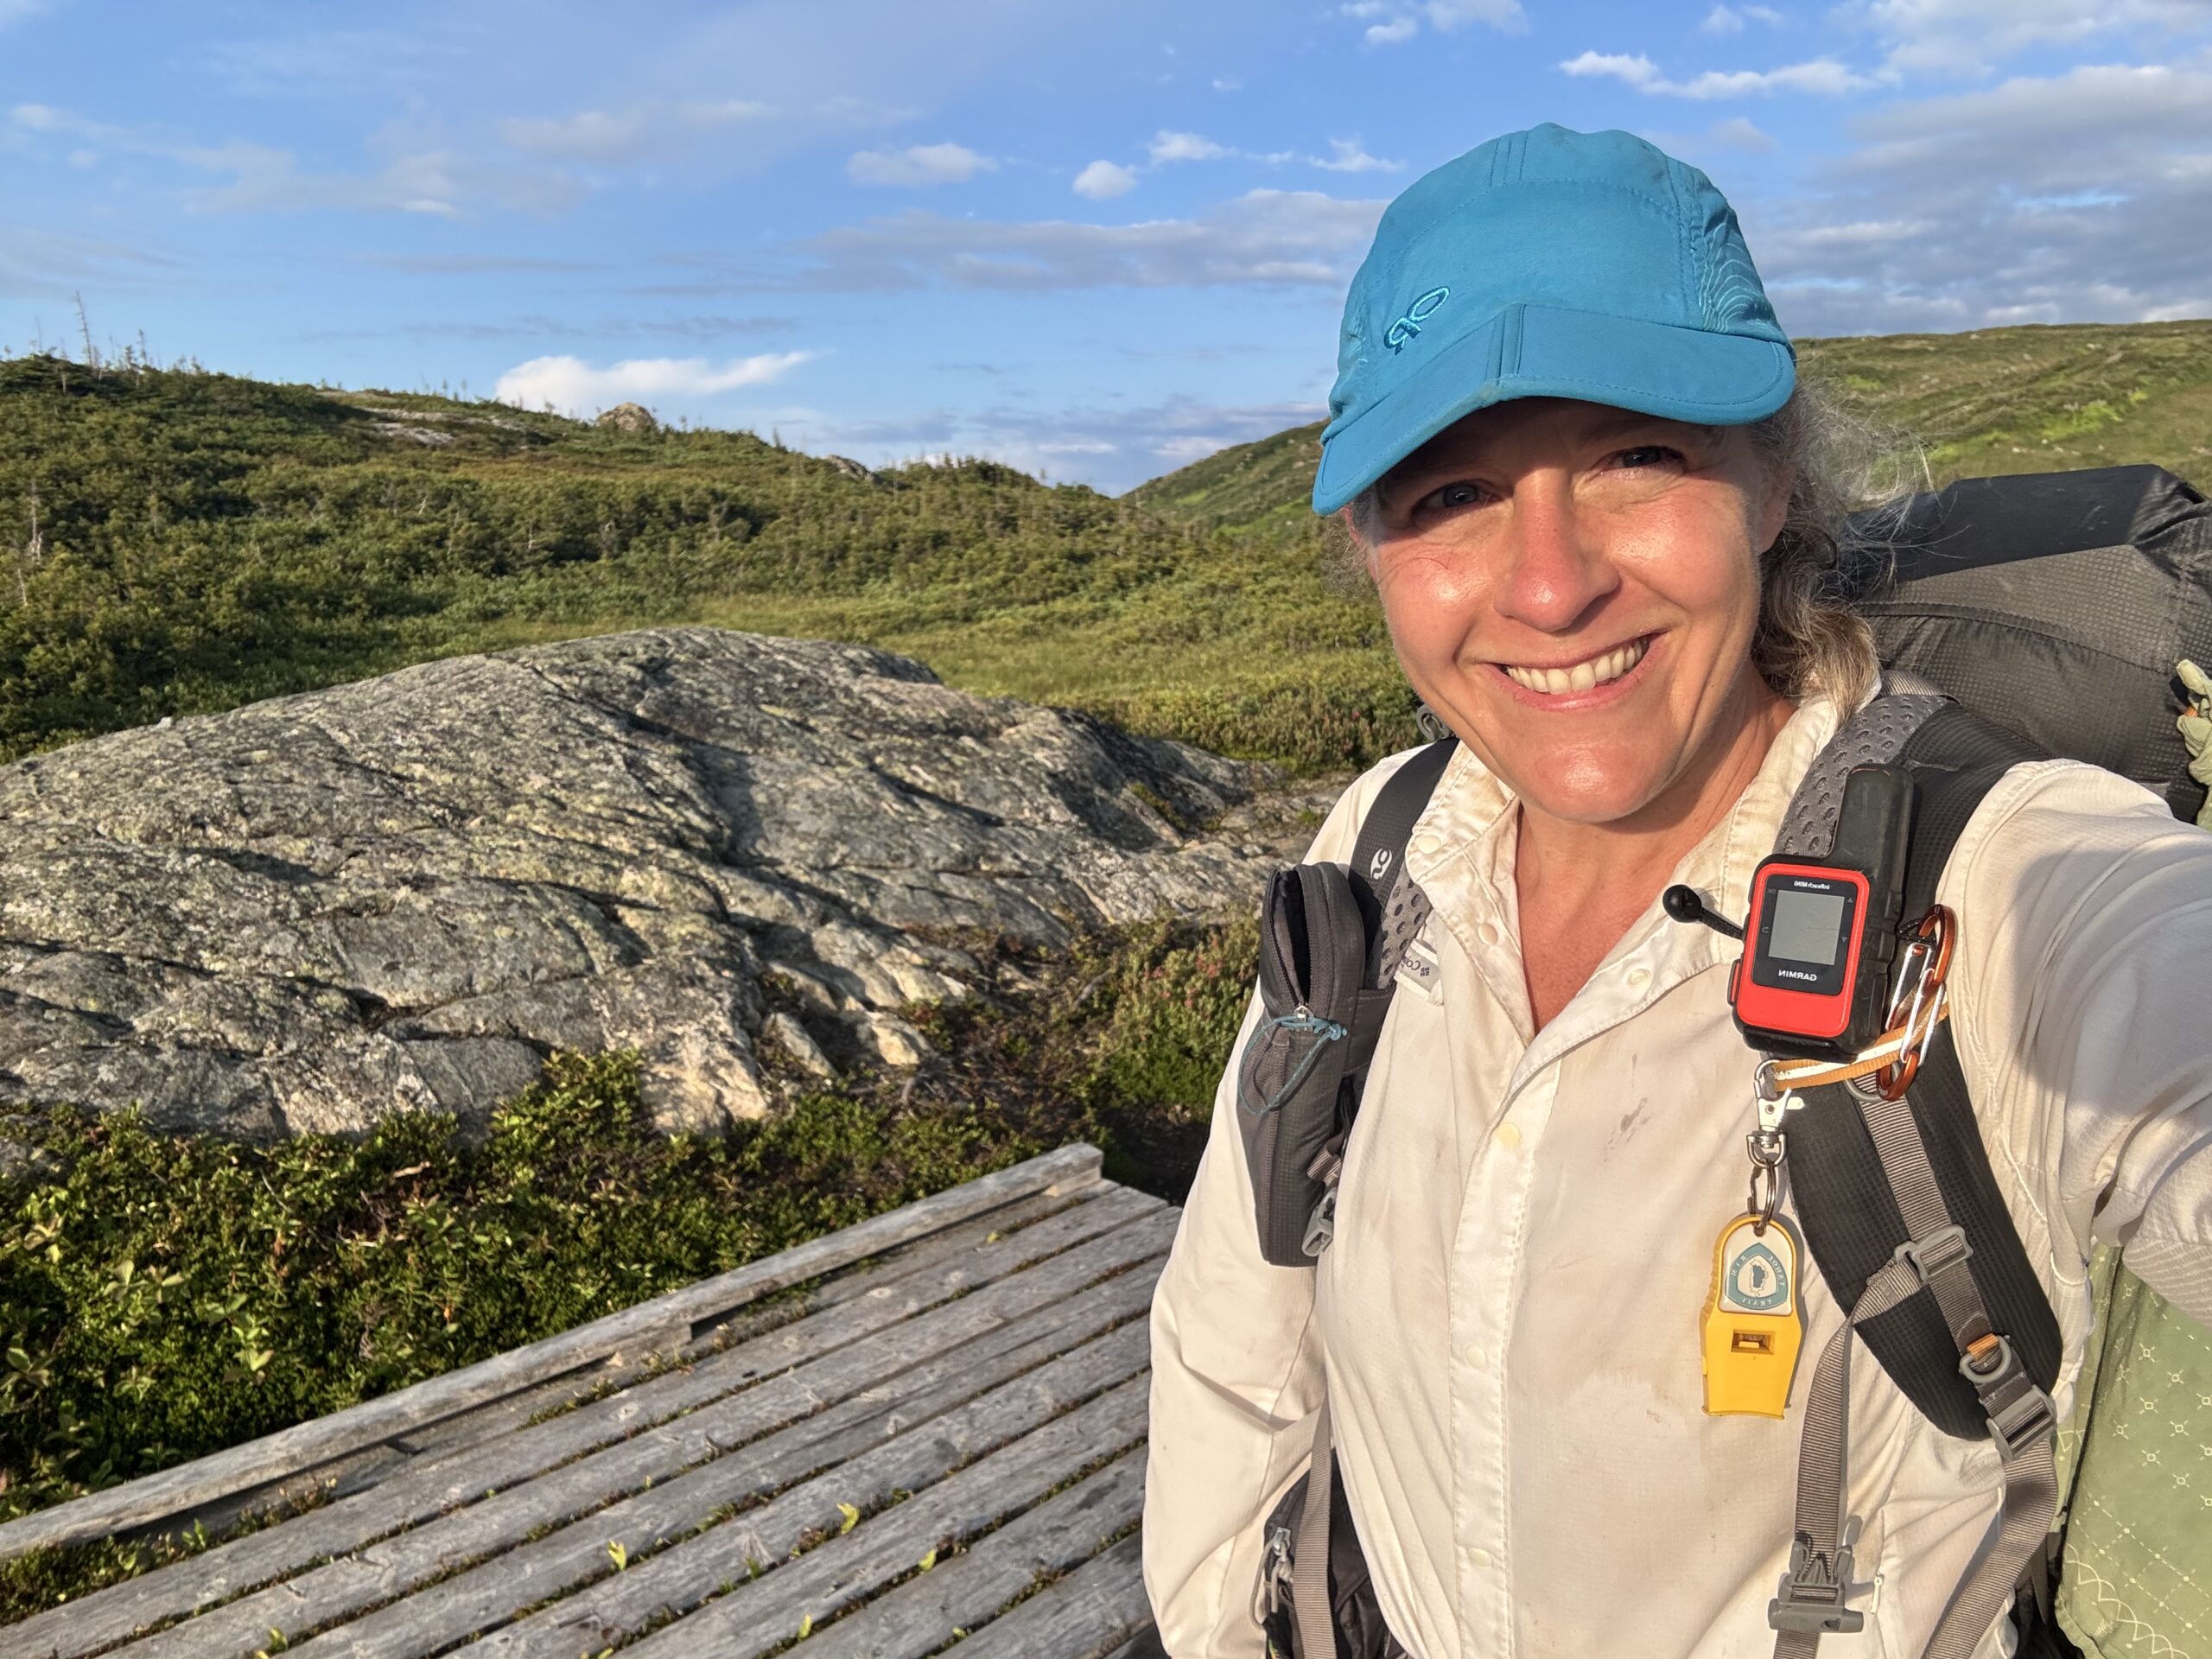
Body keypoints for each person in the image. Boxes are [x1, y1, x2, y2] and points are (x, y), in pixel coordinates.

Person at [1141, 124, 2212, 1659]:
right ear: (1369, 547)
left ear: (1773, 483)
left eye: (1637, 457)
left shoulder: (2000, 878)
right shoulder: (1386, 838)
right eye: (1448, 495)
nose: (1551, 584)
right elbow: (1241, 1331)